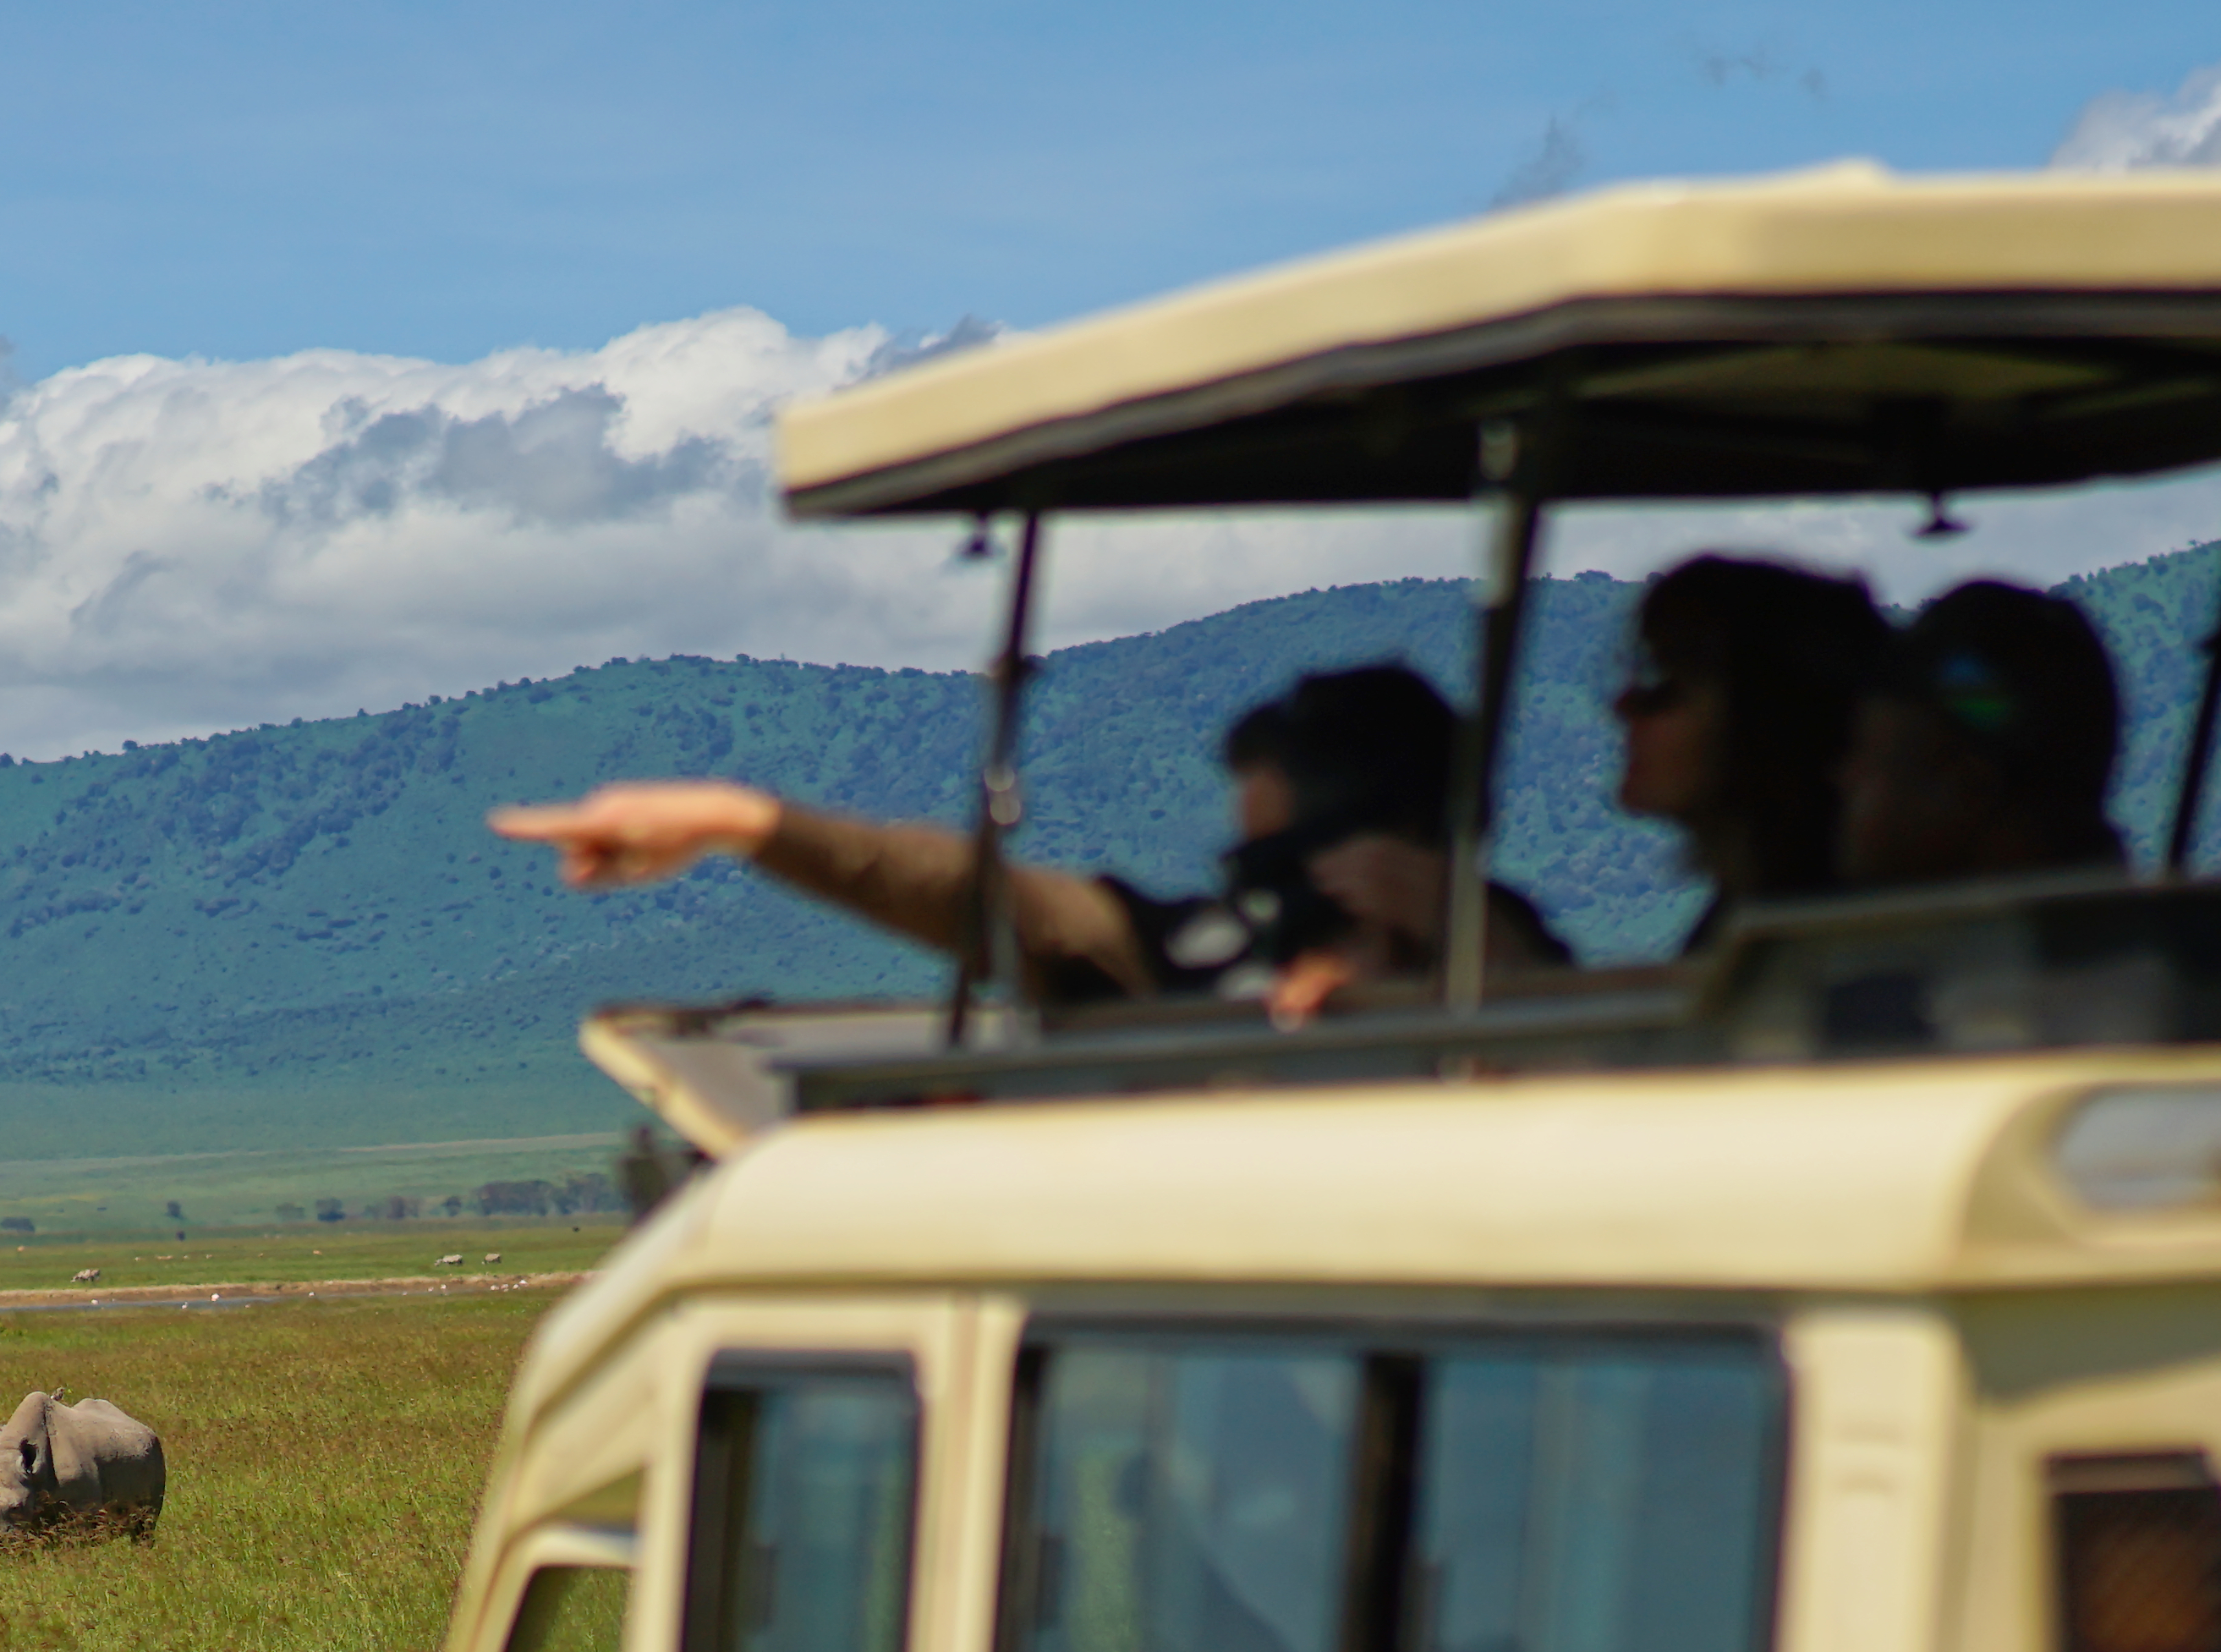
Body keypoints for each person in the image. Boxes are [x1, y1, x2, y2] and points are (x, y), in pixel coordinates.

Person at [490, 661, 1564, 1013]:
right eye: (1255, 872)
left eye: (1292, 867)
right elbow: (1019, 912)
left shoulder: (1516, 993)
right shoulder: (1218, 959)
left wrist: (1455, 935)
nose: (1269, 900)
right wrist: (747, 824)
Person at [1602, 555, 1894, 949]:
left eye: (1663, 683)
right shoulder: (1748, 918)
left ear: (1760, 720)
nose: (1622, 705)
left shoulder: (1827, 932)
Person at [1836, 579, 2129, 886]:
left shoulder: (1944, 933)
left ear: (1968, 789)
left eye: (1866, 755)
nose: (1844, 777)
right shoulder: (2130, 924)